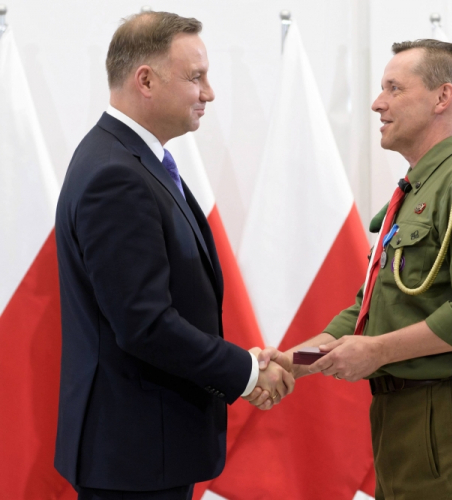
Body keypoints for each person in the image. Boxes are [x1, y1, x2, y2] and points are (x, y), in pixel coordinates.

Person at [54, 12, 292, 500]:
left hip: (145, 450)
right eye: (196, 77)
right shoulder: (116, 176)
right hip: (134, 460)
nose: (209, 93)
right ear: (146, 80)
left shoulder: (129, 158)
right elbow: (144, 324)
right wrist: (245, 372)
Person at [282, 40, 452, 499]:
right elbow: (366, 314)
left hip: (448, 414)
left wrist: (377, 353)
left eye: (394, 88)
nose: (377, 103)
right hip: (403, 415)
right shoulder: (415, 189)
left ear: (441, 98)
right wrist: (293, 363)